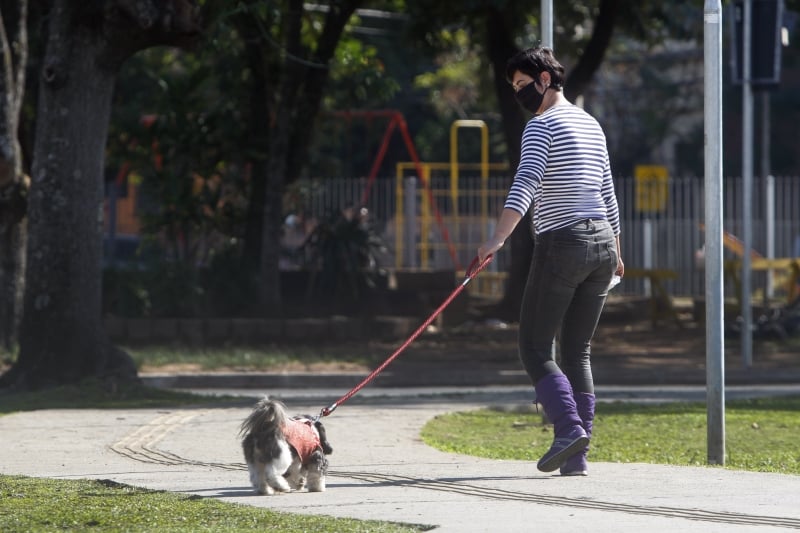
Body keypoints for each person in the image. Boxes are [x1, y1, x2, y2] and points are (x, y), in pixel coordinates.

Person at [478, 46, 624, 476]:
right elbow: (608, 190)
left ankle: (567, 430)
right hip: (600, 244)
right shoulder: (590, 123)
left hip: (563, 242)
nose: (519, 94)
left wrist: (496, 239)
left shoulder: (541, 126)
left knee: (535, 347)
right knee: (577, 350)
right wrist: (617, 250)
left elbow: (526, 182)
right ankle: (576, 456)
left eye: (523, 85)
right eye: (514, 88)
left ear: (545, 79)